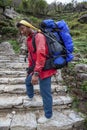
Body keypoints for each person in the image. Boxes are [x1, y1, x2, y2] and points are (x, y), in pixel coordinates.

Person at [16, 19, 57, 123]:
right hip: (37, 68)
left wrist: (36, 73)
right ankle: (31, 97)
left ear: (29, 26)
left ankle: (48, 116)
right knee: (27, 81)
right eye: (20, 30)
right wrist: (30, 70)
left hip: (45, 70)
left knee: (45, 93)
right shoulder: (29, 39)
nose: (22, 32)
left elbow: (41, 55)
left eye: (23, 29)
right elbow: (31, 56)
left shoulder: (39, 37)